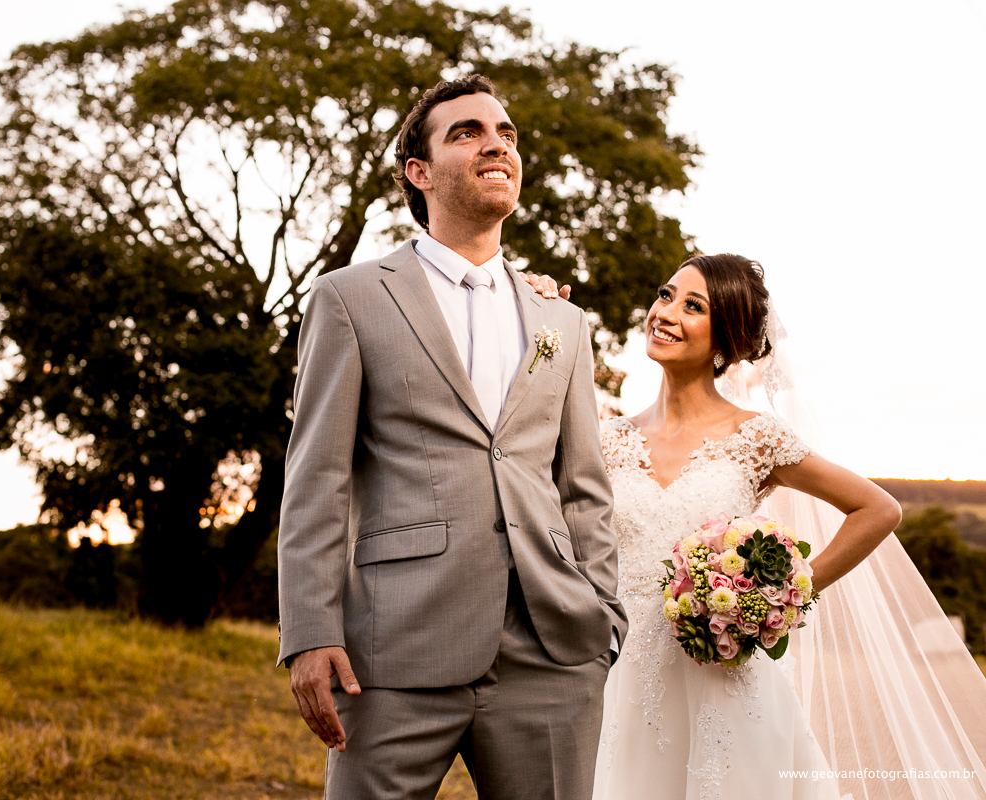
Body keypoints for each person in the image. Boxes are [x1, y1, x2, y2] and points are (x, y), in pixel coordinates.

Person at [276, 74, 626, 799]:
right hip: (393, 649)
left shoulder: (561, 320)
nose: (495, 143)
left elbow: (583, 485)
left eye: (505, 133)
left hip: (552, 650)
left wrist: (603, 617)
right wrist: (310, 630)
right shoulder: (351, 297)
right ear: (420, 172)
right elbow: (316, 476)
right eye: (466, 132)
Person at [524, 255, 986, 798]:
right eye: (666, 295)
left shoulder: (758, 437)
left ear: (726, 341)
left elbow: (879, 509)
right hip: (622, 674)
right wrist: (537, 315)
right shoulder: (607, 439)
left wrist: (782, 596)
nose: (665, 313)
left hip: (724, 675)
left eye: (693, 307)